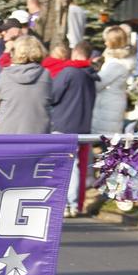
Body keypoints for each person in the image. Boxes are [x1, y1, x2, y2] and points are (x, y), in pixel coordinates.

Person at [51, 42, 99, 216]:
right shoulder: (91, 75)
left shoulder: (69, 72)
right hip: (82, 125)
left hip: (64, 123)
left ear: (76, 54)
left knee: (62, 165)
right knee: (75, 165)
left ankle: (63, 203)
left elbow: (53, 95)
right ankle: (72, 203)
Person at [0, 36, 52, 134]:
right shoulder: (45, 75)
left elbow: (0, 95)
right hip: (38, 136)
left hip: (8, 135)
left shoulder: (5, 75)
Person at [90, 26, 136, 135]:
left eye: (107, 41)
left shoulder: (116, 64)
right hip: (112, 102)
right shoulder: (119, 61)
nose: (105, 43)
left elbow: (99, 83)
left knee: (106, 139)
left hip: (109, 106)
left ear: (113, 42)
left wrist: (91, 74)